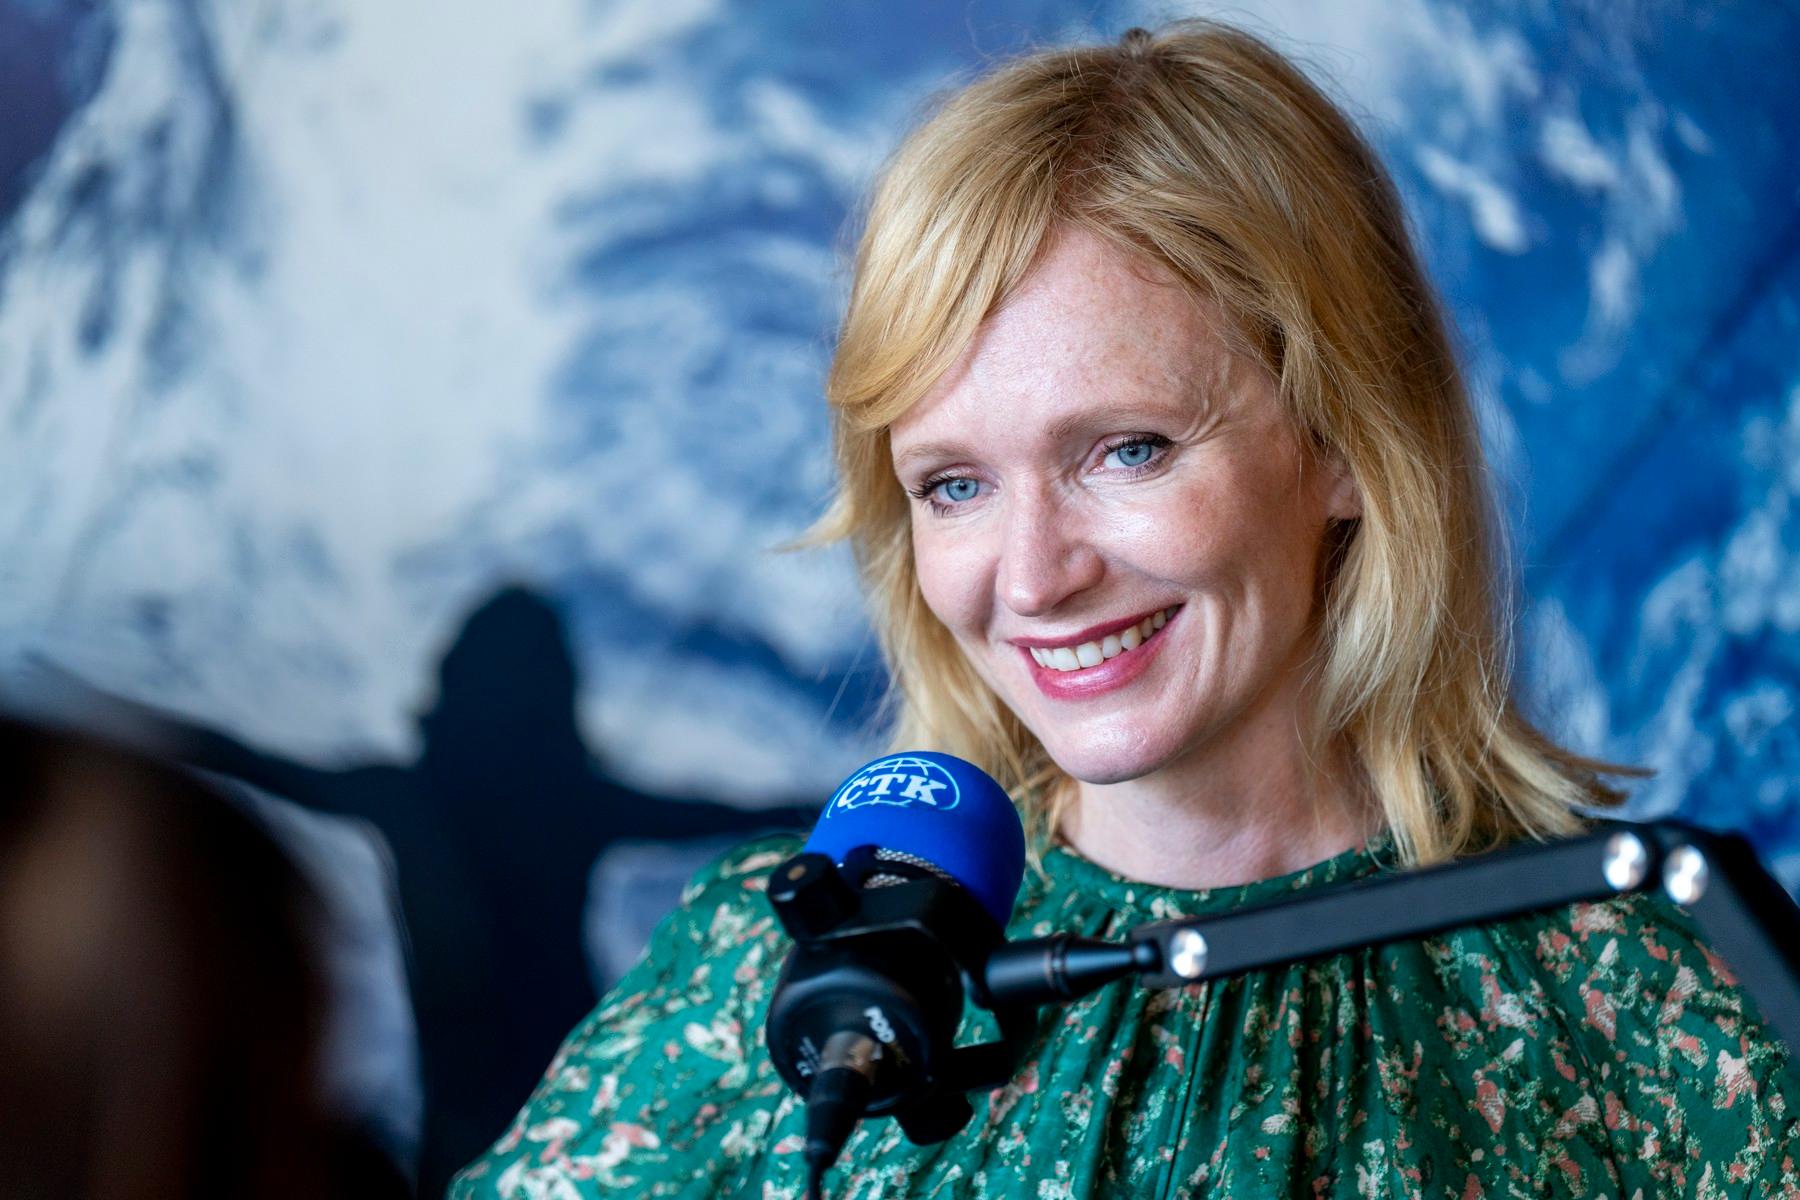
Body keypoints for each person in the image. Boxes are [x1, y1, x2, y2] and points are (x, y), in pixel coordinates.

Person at [450, 20, 1799, 1198]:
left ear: (1344, 442)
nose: (1034, 578)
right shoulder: (782, 984)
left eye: (1126, 451)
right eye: (956, 484)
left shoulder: (1637, 997)